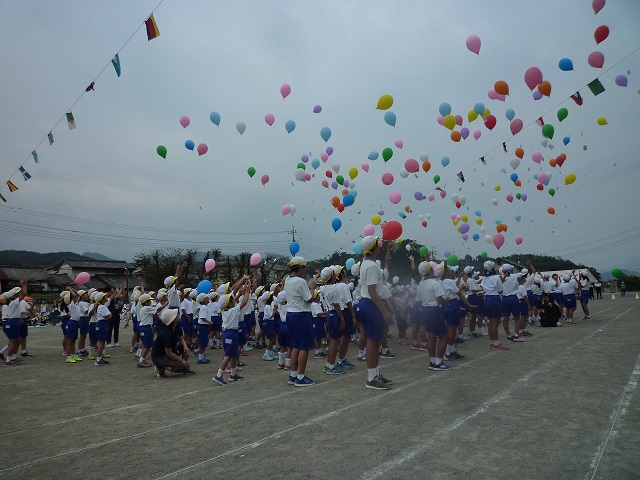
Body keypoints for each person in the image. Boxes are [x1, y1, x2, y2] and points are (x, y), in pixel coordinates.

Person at [358, 237, 394, 389]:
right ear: (374, 249)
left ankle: (375, 374)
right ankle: (372, 378)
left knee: (375, 340)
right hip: (371, 304)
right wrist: (385, 310)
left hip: (367, 304)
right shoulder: (372, 266)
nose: (379, 246)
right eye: (377, 244)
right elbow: (372, 291)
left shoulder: (365, 263)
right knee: (373, 342)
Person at [283, 256, 318, 387]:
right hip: (301, 315)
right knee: (304, 346)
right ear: (301, 267)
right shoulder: (300, 281)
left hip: (291, 314)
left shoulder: (288, 279)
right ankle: (301, 377)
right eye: (304, 267)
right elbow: (309, 299)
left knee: (296, 345)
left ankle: (293, 375)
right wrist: (312, 288)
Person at [212, 276, 251, 385]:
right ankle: (219, 375)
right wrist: (247, 291)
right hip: (231, 334)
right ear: (229, 303)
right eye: (232, 300)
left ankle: (233, 374)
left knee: (233, 354)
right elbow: (244, 302)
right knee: (228, 355)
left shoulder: (226, 310)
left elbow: (234, 294)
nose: (234, 299)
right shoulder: (233, 310)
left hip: (228, 334)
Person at [151, 309, 195, 378]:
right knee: (180, 366)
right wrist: (182, 360)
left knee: (187, 345)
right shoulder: (167, 333)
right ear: (173, 319)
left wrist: (185, 347)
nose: (177, 316)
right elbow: (168, 352)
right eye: (176, 315)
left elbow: (181, 338)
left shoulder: (175, 327)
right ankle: (160, 367)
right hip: (159, 357)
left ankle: (184, 367)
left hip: (170, 351)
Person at [480, 261, 509, 350]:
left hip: (487, 298)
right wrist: (502, 282)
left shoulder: (484, 278)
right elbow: (500, 291)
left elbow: (483, 288)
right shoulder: (496, 278)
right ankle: (496, 342)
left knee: (490, 322)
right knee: (495, 322)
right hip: (495, 299)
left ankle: (492, 342)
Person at [2, 279, 28, 366]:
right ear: (14, 296)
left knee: (18, 340)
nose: (19, 295)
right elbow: (24, 294)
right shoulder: (13, 302)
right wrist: (24, 284)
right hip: (12, 322)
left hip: (14, 321)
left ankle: (12, 357)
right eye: (18, 294)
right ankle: (8, 359)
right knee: (13, 342)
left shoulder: (13, 303)